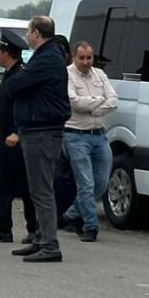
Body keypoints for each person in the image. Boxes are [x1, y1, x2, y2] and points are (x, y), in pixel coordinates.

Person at [0, 15, 70, 264]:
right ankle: (40, 239)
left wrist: (20, 85)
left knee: (42, 190)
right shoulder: (44, 56)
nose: (27, 36)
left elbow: (15, 85)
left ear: (37, 33)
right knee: (37, 188)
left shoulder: (47, 58)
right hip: (36, 129)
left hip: (42, 131)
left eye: (29, 31)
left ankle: (50, 244)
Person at [0, 29, 39, 244]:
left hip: (17, 139)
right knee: (1, 184)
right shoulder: (10, 74)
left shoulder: (21, 77)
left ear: (6, 53)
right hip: (5, 137)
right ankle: (3, 228)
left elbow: (28, 108)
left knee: (26, 186)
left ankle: (34, 230)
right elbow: (11, 105)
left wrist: (18, 132)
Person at [60, 41, 118, 242]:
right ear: (73, 57)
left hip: (99, 135)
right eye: (82, 58)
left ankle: (71, 213)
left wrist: (93, 108)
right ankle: (91, 226)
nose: (86, 62)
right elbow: (74, 102)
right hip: (75, 136)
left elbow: (113, 100)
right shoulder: (66, 75)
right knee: (86, 183)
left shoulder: (100, 74)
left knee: (101, 183)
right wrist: (99, 101)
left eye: (89, 58)